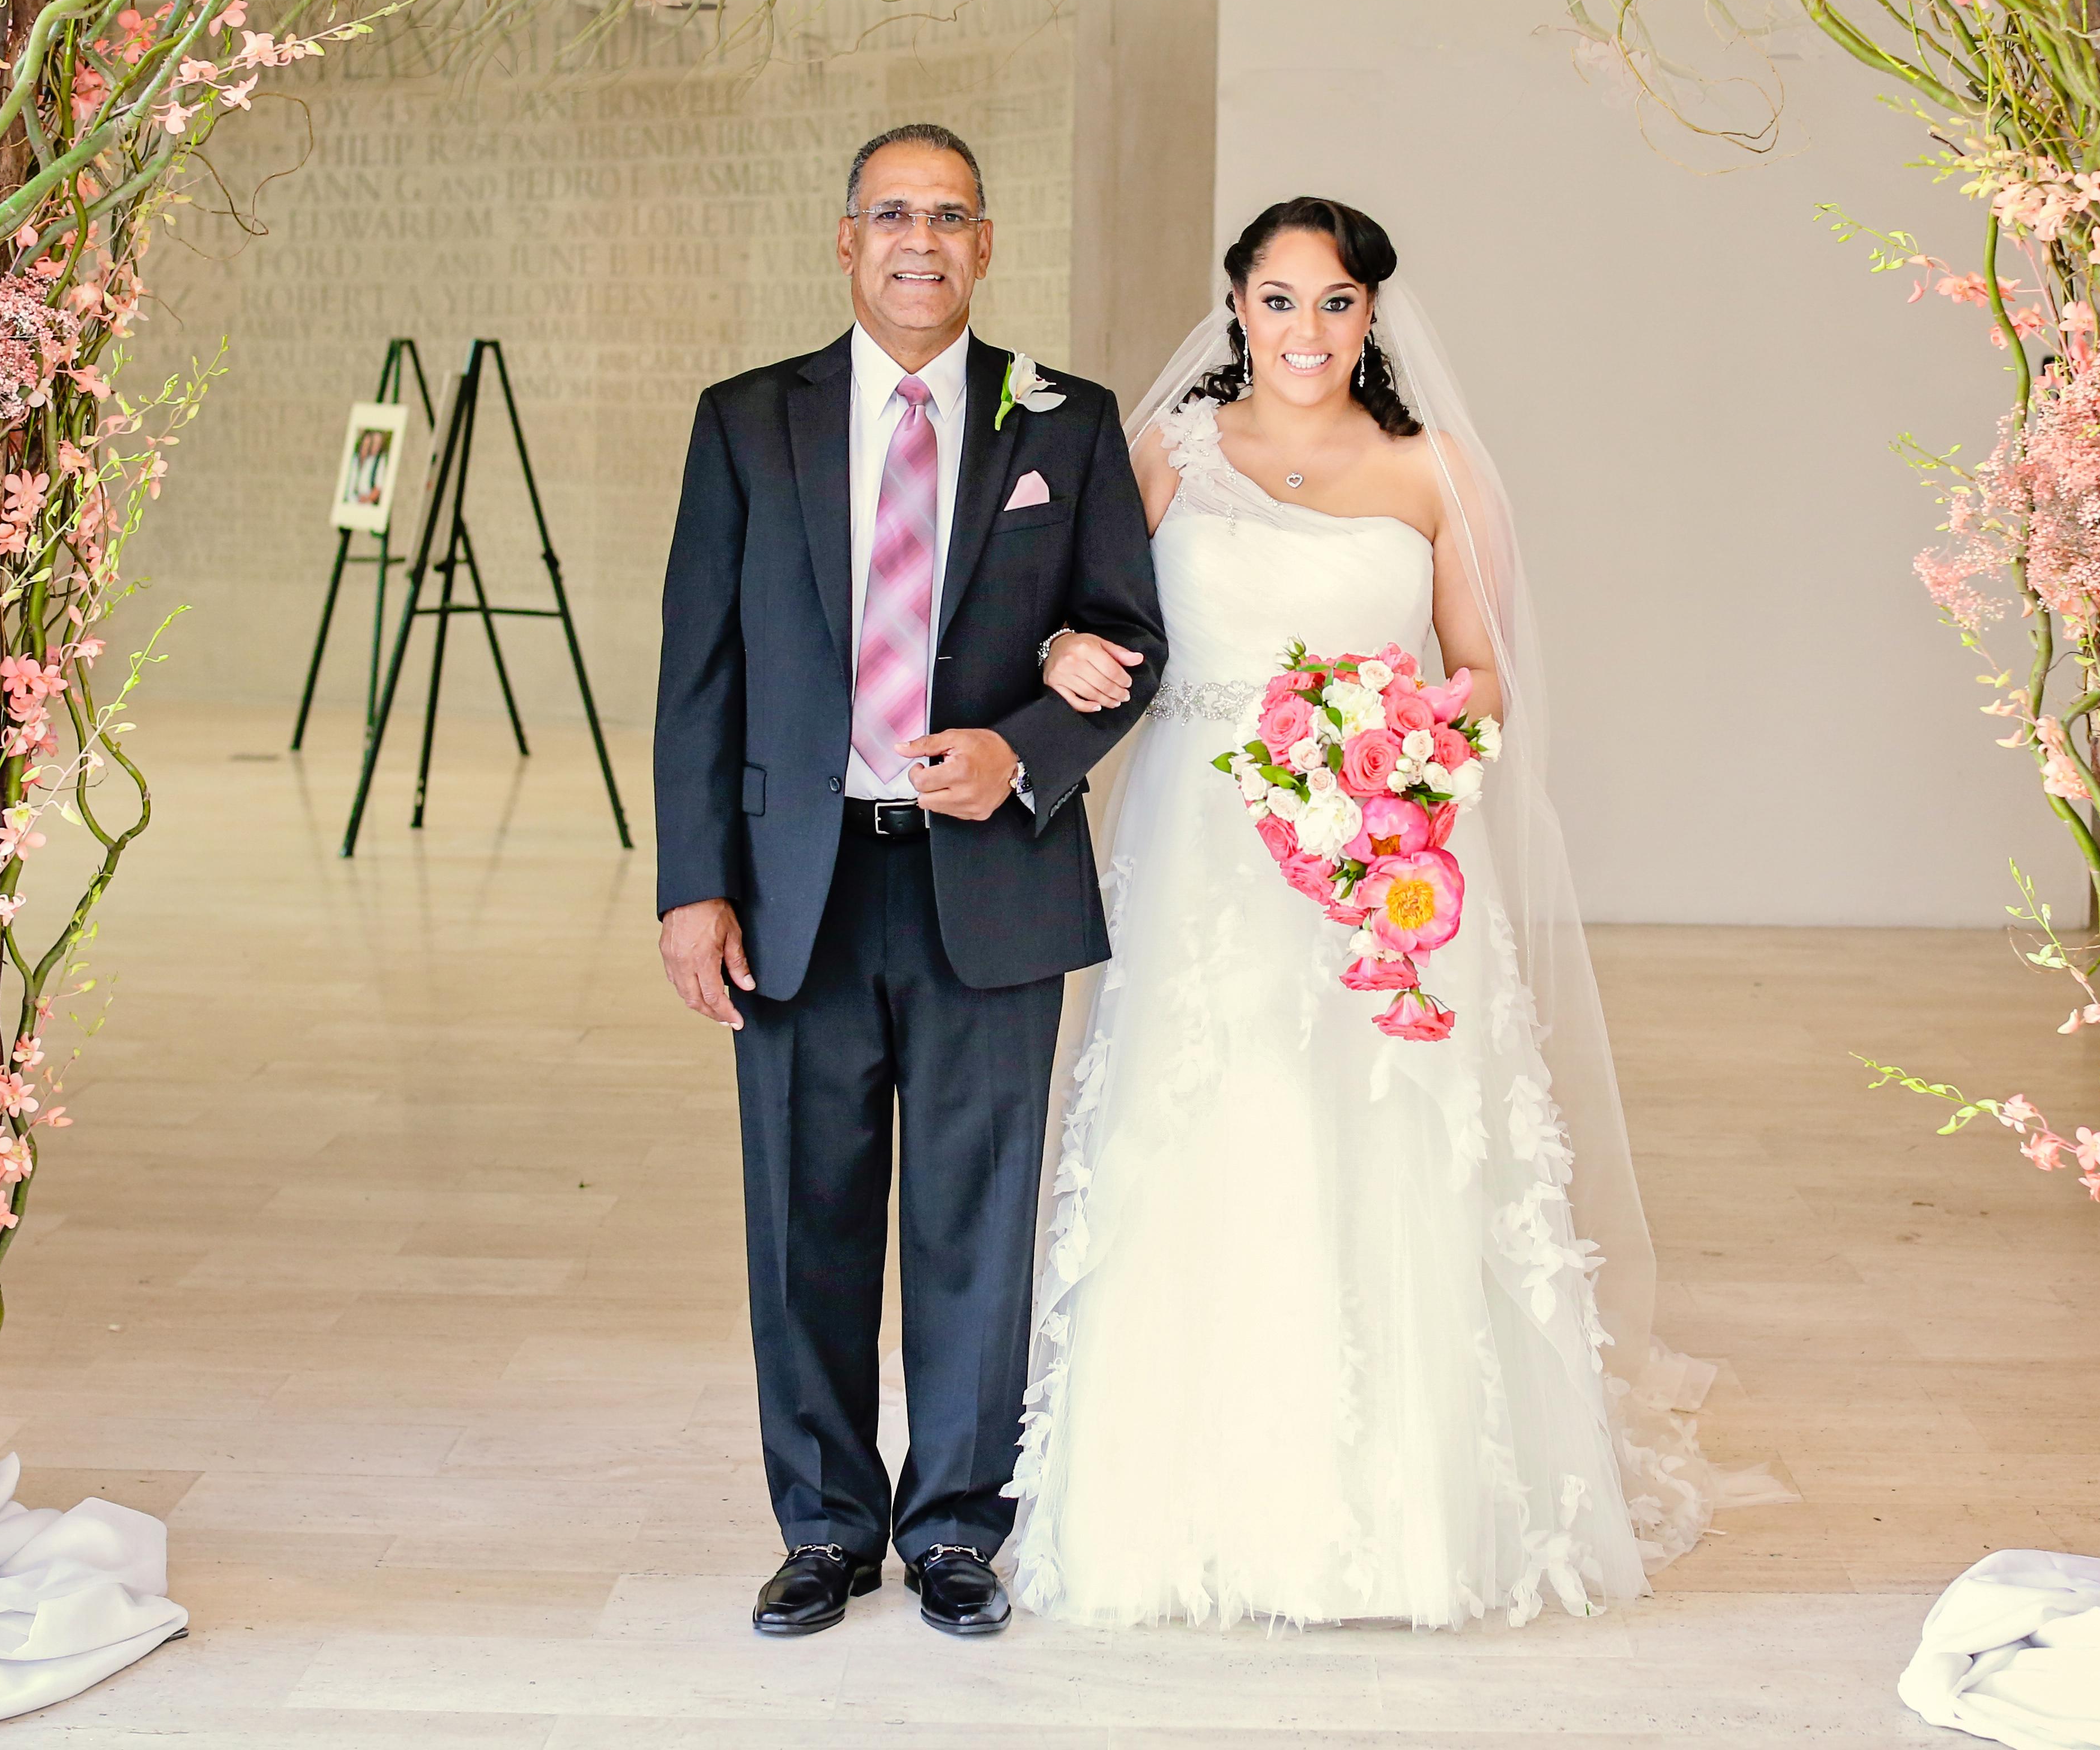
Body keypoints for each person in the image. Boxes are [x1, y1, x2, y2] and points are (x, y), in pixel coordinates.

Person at [1004, 196, 1714, 1628]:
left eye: (1335, 304)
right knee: (1217, 1114)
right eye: (1278, 301)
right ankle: (1184, 1502)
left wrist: (1403, 748)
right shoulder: (1169, 458)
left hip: (1382, 850)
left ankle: (1407, 1515)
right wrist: (1066, 643)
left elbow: (1483, 671)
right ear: (1236, 307)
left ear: (1374, 315)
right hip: (1206, 833)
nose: (1305, 332)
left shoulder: (1434, 471)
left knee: (1382, 1125)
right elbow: (1082, 618)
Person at [654, 124, 1165, 1638]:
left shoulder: (1064, 424)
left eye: (949, 216)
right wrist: (696, 885)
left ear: (987, 244)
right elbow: (701, 673)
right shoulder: (751, 422)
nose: (920, 241)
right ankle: (821, 1528)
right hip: (796, 887)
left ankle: (954, 1528)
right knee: (803, 1219)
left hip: (988, 884)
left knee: (974, 1215)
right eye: (893, 215)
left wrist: (1021, 750)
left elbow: (1128, 643)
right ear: (846, 240)